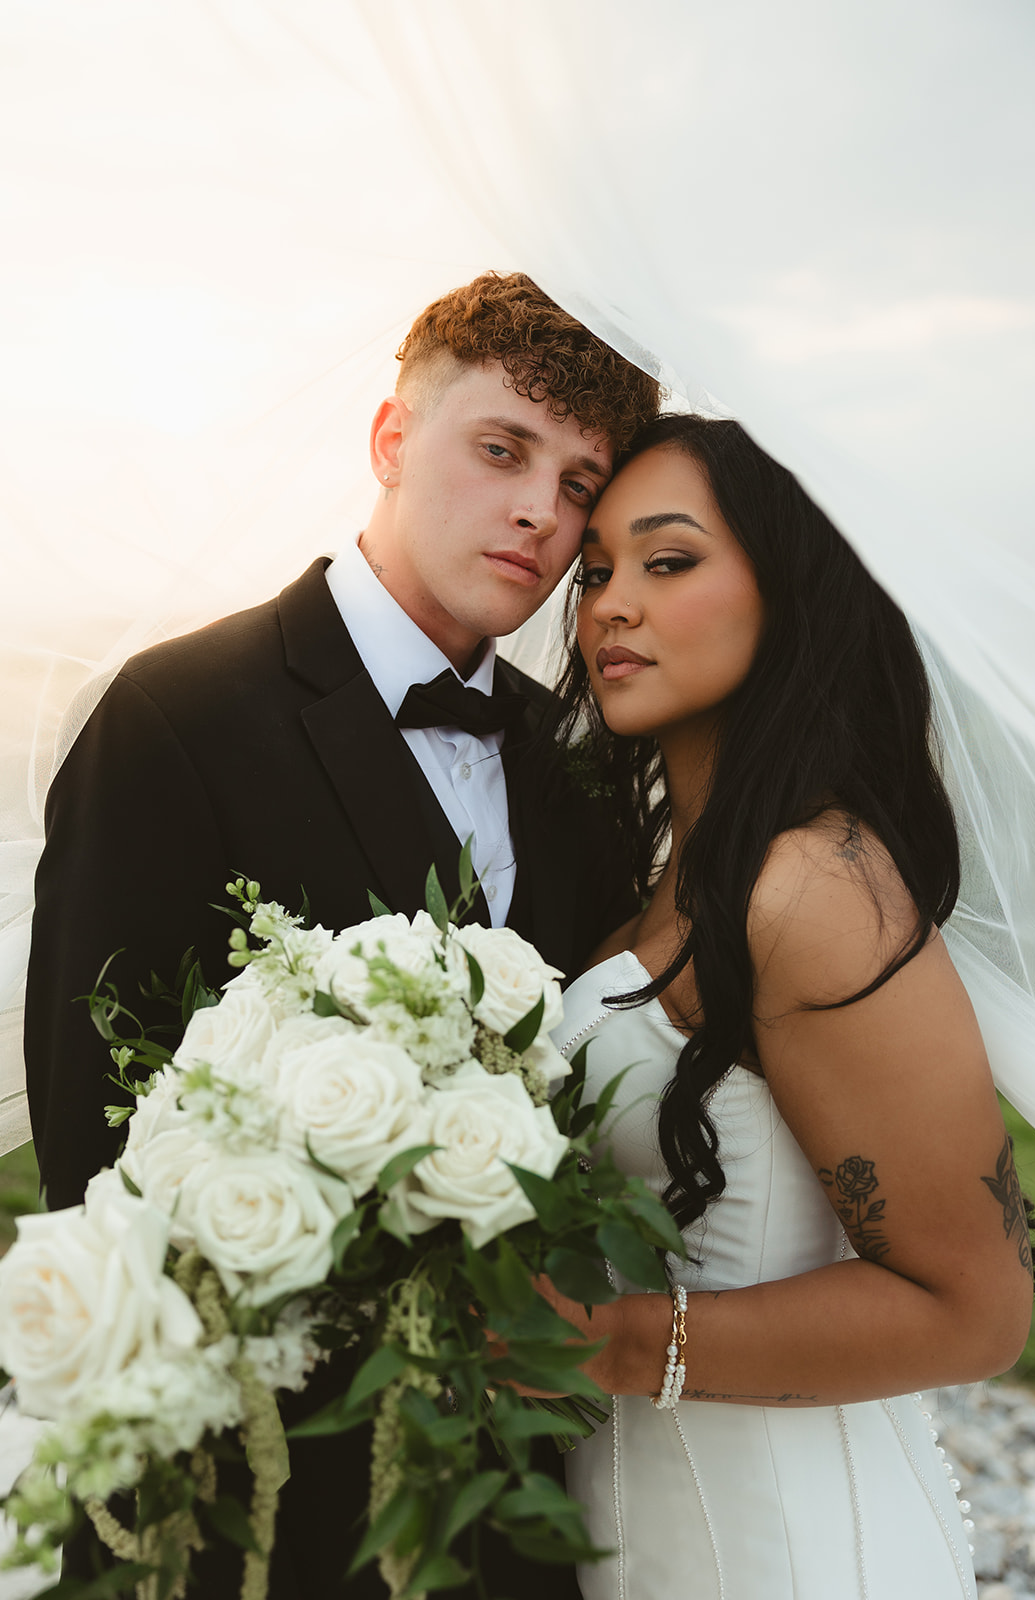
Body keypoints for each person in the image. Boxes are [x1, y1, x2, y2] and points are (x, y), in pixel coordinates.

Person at [22, 270, 661, 1598]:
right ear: (389, 439)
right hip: (259, 1483)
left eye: (581, 481)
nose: (540, 510)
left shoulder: (574, 764)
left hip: (519, 1475)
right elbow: (102, 1139)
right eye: (501, 451)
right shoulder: (176, 714)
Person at [543, 415, 1035, 1599]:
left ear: (790, 594)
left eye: (668, 562)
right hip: (637, 1534)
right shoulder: (672, 872)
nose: (611, 602)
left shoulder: (811, 891)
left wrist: (598, 1342)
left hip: (780, 1554)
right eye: (597, 569)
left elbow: (975, 1306)